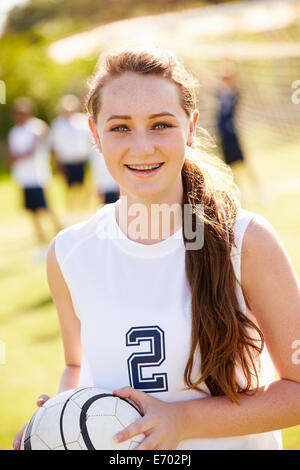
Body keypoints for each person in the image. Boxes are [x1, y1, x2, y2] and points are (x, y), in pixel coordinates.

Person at [13, 48, 300, 450]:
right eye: (120, 128)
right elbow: (76, 365)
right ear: (95, 134)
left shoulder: (246, 240)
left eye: (161, 124)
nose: (143, 147)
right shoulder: (70, 252)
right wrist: (57, 419)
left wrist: (181, 421)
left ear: (191, 127)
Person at [6, 97, 61, 259]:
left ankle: (60, 233)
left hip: (38, 176)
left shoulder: (37, 127)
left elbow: (30, 151)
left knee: (46, 208)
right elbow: (11, 156)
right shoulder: (14, 132)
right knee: (32, 212)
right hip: (23, 178)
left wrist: (19, 156)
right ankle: (41, 242)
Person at [215, 61, 267, 205]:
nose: (223, 81)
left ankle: (259, 192)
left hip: (233, 135)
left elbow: (235, 85)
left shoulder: (234, 94)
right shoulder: (219, 95)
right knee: (230, 169)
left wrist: (230, 60)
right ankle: (239, 195)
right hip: (223, 137)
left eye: (226, 78)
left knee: (245, 164)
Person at [49, 94, 91, 219]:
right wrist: (58, 164)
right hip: (66, 161)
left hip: (82, 160)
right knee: (68, 188)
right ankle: (71, 213)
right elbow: (54, 147)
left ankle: (85, 211)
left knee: (84, 187)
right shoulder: (57, 124)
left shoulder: (82, 121)